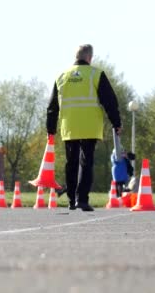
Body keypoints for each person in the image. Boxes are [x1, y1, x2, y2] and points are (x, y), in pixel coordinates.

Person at [47, 44, 122, 211]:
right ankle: (82, 199)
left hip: (69, 126)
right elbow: (110, 101)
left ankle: (71, 200)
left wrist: (50, 129)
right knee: (86, 162)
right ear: (90, 57)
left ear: (76, 56)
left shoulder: (61, 76)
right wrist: (116, 123)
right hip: (89, 126)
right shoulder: (96, 74)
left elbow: (52, 105)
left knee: (71, 163)